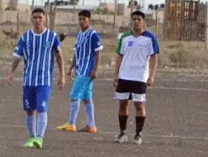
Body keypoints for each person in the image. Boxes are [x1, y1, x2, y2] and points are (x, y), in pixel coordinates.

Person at [6, 8, 65, 149]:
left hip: (44, 80)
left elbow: (59, 56)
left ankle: (40, 137)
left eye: (40, 17)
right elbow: (17, 57)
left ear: (44, 19)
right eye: (35, 17)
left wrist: (62, 75)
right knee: (29, 110)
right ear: (31, 19)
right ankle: (32, 138)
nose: (37, 20)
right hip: (28, 80)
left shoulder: (52, 36)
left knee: (41, 109)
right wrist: (11, 72)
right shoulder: (25, 37)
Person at [113, 10, 159, 145]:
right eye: (134, 19)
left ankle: (138, 134)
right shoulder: (125, 37)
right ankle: (123, 133)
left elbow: (154, 58)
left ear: (144, 21)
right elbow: (119, 56)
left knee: (139, 104)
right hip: (124, 76)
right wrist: (116, 75)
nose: (136, 21)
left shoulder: (150, 38)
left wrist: (152, 76)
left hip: (140, 77)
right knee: (123, 103)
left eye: (139, 19)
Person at [58, 10, 102, 133]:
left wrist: (95, 70)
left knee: (74, 95)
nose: (82, 21)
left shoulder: (93, 35)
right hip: (80, 69)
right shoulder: (79, 35)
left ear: (89, 20)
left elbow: (98, 53)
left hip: (87, 71)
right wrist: (72, 67)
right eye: (80, 19)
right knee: (87, 98)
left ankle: (71, 124)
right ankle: (91, 125)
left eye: (84, 19)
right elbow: (76, 53)